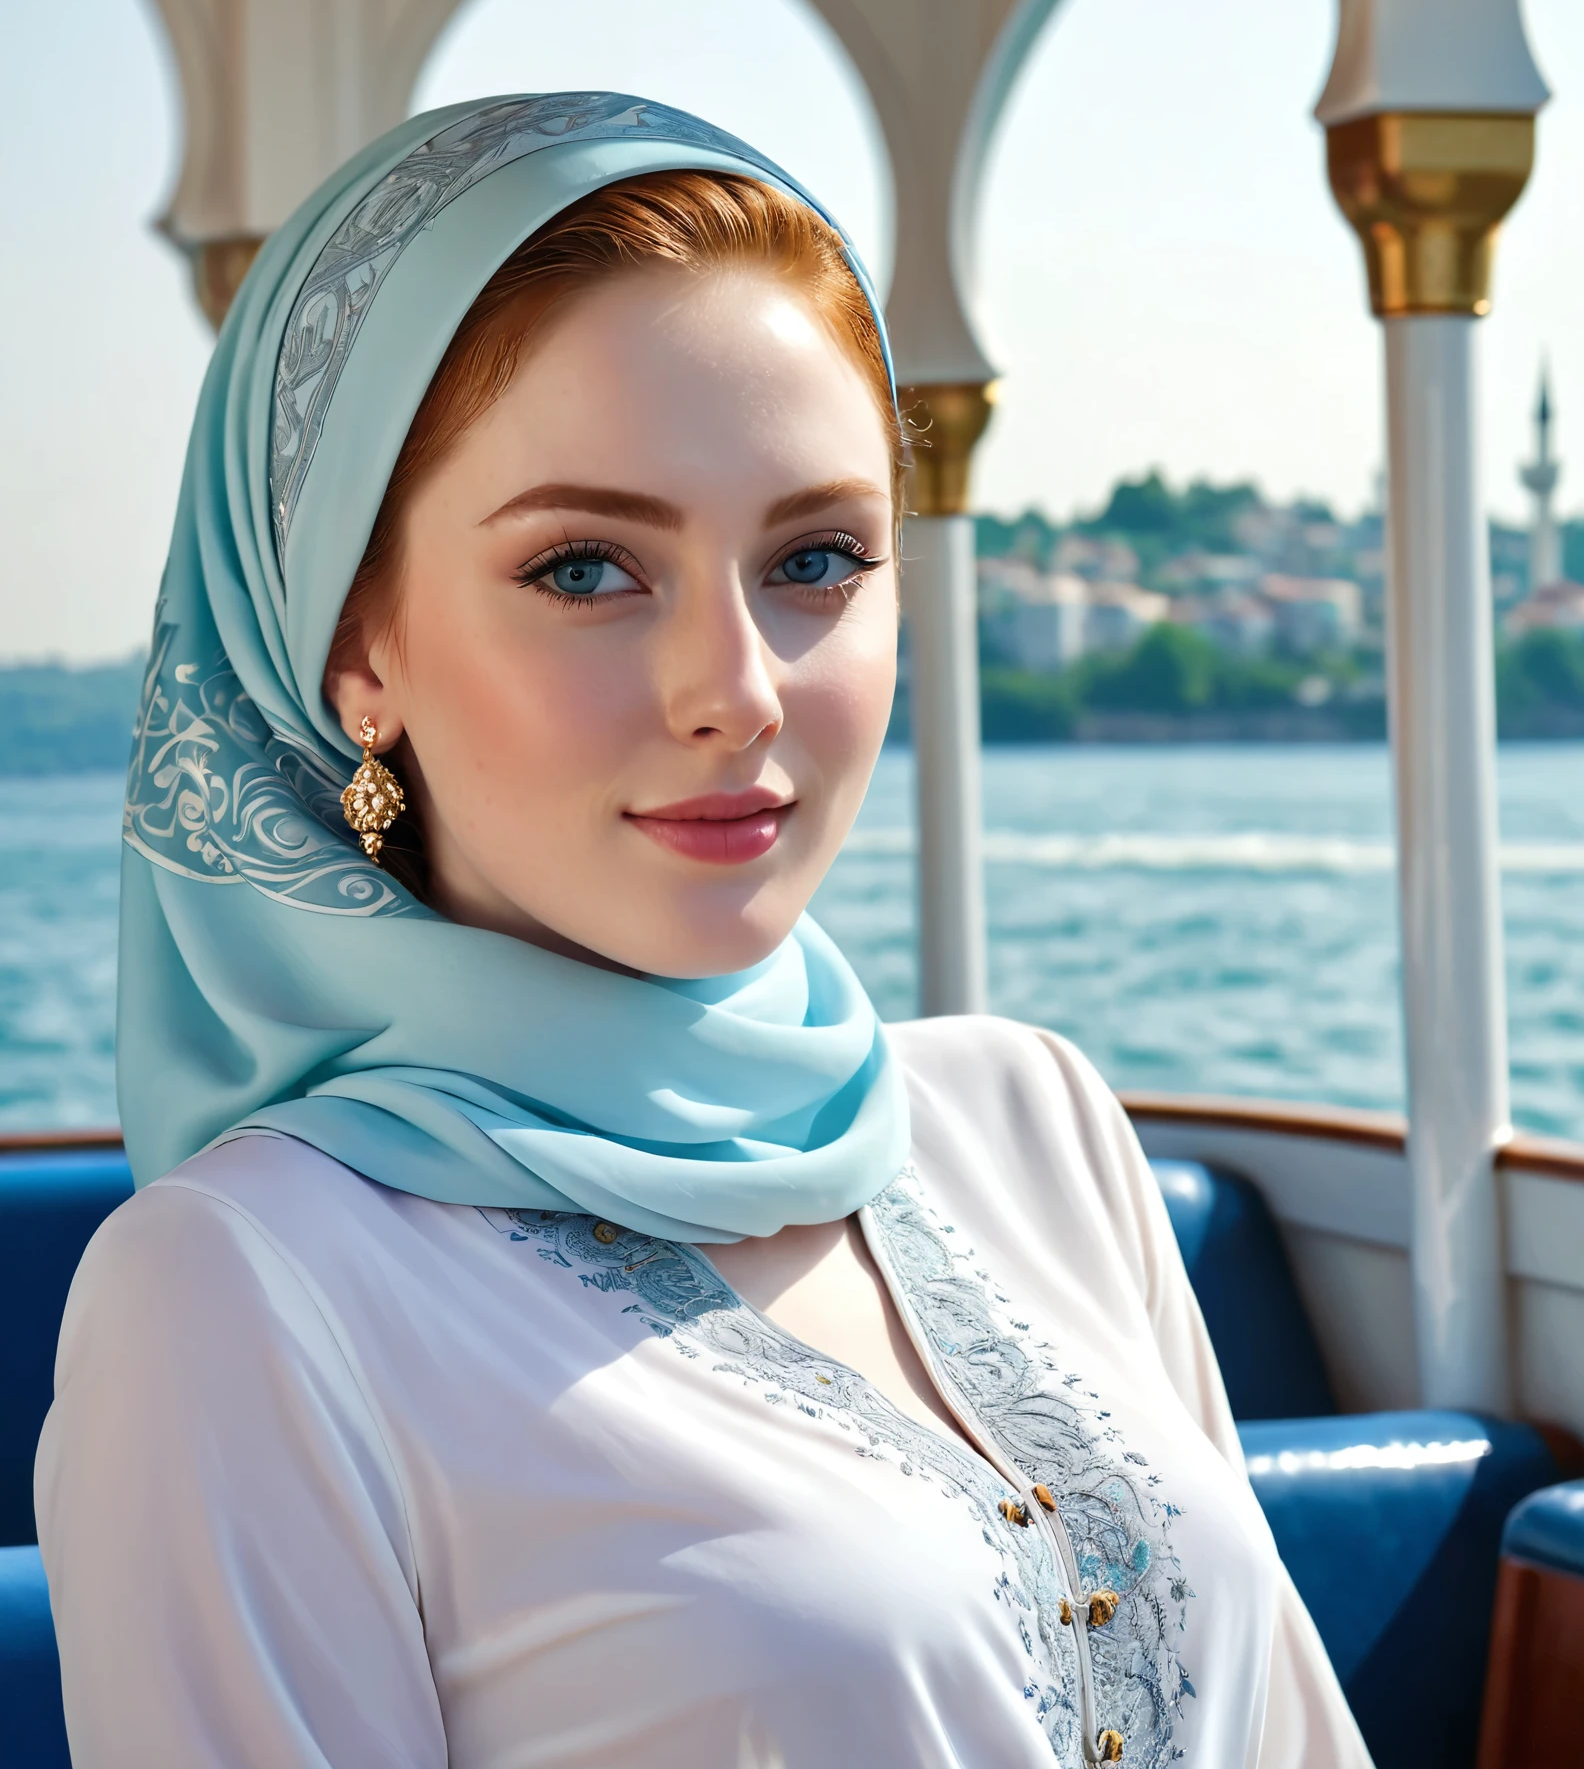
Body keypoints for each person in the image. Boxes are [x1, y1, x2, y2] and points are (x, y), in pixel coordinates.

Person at [36, 94, 1370, 1768]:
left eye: (817, 558)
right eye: (589, 571)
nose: (737, 695)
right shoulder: (241, 1291)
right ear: (352, 646)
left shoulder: (1032, 1125)